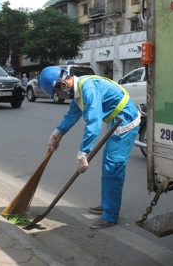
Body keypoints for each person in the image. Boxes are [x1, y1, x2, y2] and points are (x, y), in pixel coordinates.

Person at [39, 66, 141, 229]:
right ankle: (108, 204)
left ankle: (110, 215)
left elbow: (93, 125)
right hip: (116, 120)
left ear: (62, 84)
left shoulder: (88, 89)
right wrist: (56, 134)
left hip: (126, 121)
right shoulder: (79, 90)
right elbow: (71, 116)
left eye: (57, 92)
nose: (58, 96)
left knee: (113, 166)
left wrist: (82, 155)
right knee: (108, 166)